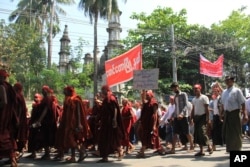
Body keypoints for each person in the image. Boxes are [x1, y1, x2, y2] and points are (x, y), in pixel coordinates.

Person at [54, 86, 91, 163]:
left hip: (74, 123)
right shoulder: (67, 99)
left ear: (69, 91)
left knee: (70, 139)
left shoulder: (76, 100)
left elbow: (78, 112)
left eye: (65, 91)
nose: (63, 92)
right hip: (67, 123)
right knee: (71, 139)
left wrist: (79, 123)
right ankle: (73, 157)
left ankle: (81, 152)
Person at [97, 85, 125, 163]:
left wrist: (114, 119)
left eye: (103, 90)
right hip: (105, 122)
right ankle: (105, 157)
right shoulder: (106, 99)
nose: (102, 91)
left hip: (111, 122)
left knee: (113, 138)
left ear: (106, 90)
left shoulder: (111, 98)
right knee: (104, 139)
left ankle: (120, 151)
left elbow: (115, 109)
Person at [221, 76, 248, 152]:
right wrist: (221, 114)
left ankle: (237, 149)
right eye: (226, 80)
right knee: (228, 132)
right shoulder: (224, 92)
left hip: (235, 113)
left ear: (233, 81)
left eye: (229, 80)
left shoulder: (237, 91)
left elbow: (243, 103)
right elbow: (223, 104)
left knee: (236, 132)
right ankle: (230, 149)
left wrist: (245, 114)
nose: (227, 81)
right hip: (227, 114)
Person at [136, 90, 165, 158]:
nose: (147, 96)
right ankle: (161, 149)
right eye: (146, 96)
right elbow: (143, 102)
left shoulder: (154, 103)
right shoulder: (147, 103)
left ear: (151, 95)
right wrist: (142, 94)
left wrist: (154, 125)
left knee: (150, 137)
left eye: (148, 95)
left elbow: (155, 114)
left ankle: (142, 152)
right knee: (153, 137)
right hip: (146, 123)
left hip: (151, 123)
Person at [168, 82, 194, 154]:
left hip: (183, 117)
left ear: (178, 87)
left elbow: (186, 105)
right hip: (176, 117)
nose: (174, 89)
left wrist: (182, 114)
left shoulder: (183, 94)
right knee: (175, 133)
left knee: (187, 132)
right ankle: (173, 149)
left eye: (175, 87)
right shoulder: (175, 96)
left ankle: (192, 146)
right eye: (173, 88)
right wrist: (172, 116)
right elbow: (176, 108)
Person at [0, 69, 18, 167]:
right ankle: (13, 159)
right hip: (9, 114)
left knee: (3, 137)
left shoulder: (2, 86)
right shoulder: (9, 86)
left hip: (3, 115)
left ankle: (12, 159)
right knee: (7, 136)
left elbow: (4, 102)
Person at [191, 84, 213, 156]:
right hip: (196, 118)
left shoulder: (204, 97)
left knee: (202, 132)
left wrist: (208, 118)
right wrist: (191, 117)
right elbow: (193, 109)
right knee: (197, 134)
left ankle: (209, 146)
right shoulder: (194, 99)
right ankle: (201, 151)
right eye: (194, 89)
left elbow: (207, 109)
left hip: (203, 117)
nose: (195, 90)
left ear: (200, 89)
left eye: (197, 88)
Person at [13, 83, 29, 161]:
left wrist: (17, 118)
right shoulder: (21, 96)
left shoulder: (17, 96)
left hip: (18, 119)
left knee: (16, 136)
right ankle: (16, 155)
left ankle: (15, 155)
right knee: (19, 135)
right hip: (21, 119)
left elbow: (18, 108)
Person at [210, 85, 224, 151]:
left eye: (216, 91)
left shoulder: (220, 98)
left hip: (220, 116)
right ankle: (213, 146)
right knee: (214, 131)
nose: (214, 93)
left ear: (218, 92)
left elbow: (221, 108)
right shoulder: (213, 99)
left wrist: (221, 116)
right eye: (214, 91)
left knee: (221, 131)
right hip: (215, 116)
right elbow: (214, 109)